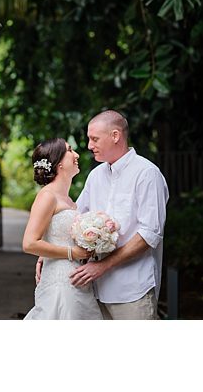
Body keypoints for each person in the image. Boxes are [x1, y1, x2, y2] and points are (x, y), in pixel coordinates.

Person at [67, 110, 169, 319]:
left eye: (94, 139)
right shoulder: (95, 176)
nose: (89, 145)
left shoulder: (147, 174)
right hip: (95, 291)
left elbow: (150, 234)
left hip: (133, 289)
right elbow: (73, 218)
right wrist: (49, 252)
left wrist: (103, 266)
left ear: (115, 136)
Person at [22, 138, 103, 319]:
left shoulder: (69, 200)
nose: (76, 155)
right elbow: (29, 243)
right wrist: (72, 253)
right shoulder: (47, 196)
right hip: (60, 284)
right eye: (69, 150)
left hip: (77, 280)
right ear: (58, 163)